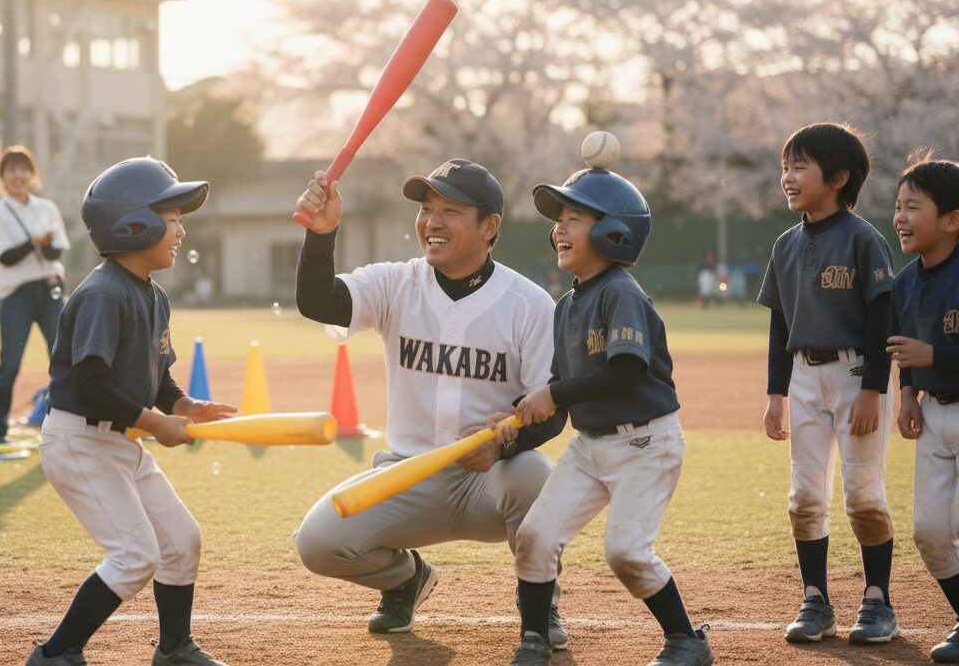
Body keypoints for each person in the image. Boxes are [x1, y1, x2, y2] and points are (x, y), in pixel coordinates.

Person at [292, 159, 567, 646]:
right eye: (425, 208)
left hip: (489, 481)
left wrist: (503, 447)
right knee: (318, 544)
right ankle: (404, 579)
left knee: (537, 478)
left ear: (490, 226)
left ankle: (541, 606)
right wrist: (321, 235)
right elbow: (318, 301)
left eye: (451, 210)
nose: (431, 222)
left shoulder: (529, 303)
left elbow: (554, 409)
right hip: (407, 474)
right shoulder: (396, 282)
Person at [29, 157, 238, 666]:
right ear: (134, 224)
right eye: (172, 219)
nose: (181, 231)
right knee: (135, 556)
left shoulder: (153, 295)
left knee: (181, 540)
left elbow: (156, 379)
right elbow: (93, 385)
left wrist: (185, 405)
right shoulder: (103, 293)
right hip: (79, 441)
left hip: (118, 441)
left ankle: (173, 648)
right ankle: (56, 654)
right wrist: (157, 424)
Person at [509, 165, 711, 666]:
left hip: (646, 444)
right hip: (590, 446)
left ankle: (687, 641)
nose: (559, 228)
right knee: (535, 536)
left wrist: (553, 393)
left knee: (627, 554)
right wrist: (506, 442)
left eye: (574, 217)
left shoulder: (620, 292)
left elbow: (624, 372)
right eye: (559, 219)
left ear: (612, 232)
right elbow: (559, 411)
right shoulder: (565, 307)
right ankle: (534, 638)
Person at [758, 122, 897, 645]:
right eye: (785, 169)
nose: (788, 178)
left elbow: (882, 317)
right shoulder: (785, 245)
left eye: (800, 168)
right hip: (804, 377)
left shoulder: (863, 239)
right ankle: (815, 600)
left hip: (858, 371)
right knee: (803, 499)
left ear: (839, 177)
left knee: (863, 496)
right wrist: (776, 395)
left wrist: (873, 390)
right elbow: (779, 325)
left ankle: (878, 601)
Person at [888, 156, 959, 662]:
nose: (900, 217)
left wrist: (935, 356)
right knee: (929, 531)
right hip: (933, 415)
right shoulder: (905, 282)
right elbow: (903, 350)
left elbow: (925, 349)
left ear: (953, 220)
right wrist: (908, 391)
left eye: (913, 206)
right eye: (897, 206)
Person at [0, 145, 70, 438]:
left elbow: (56, 251)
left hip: (50, 290)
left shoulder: (47, 208)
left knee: (63, 358)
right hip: (17, 295)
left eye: (24, 169)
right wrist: (35, 240)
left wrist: (42, 243)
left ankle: (66, 421)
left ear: (33, 174)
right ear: (2, 177)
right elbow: (5, 257)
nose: (18, 175)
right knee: (10, 364)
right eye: (11, 170)